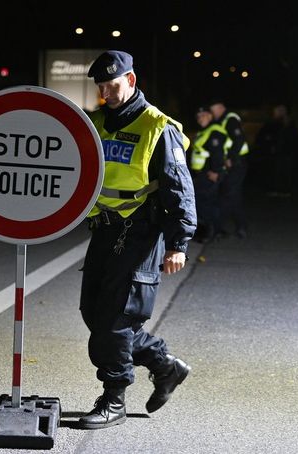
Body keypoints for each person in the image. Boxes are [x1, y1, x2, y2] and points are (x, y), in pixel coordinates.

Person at [78, 50, 197, 430]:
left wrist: (179, 243)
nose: (107, 94)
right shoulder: (94, 124)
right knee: (93, 312)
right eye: (101, 88)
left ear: (130, 80)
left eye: (113, 86)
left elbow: (180, 188)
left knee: (113, 322)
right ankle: (165, 366)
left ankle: (113, 399)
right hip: (105, 228)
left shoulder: (157, 127)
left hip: (141, 232)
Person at [209, 98, 250, 238]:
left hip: (237, 163)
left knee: (228, 195)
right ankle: (240, 227)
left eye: (214, 110)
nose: (213, 113)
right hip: (234, 163)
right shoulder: (223, 120)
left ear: (221, 107)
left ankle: (218, 227)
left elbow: (239, 139)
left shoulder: (230, 119)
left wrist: (231, 159)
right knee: (234, 195)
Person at [189, 106, 228, 242]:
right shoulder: (204, 131)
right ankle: (216, 231)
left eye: (203, 115)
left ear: (210, 116)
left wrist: (216, 171)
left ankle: (210, 233)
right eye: (198, 117)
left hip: (210, 173)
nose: (200, 119)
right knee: (208, 202)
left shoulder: (214, 131)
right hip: (202, 173)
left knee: (203, 203)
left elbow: (217, 153)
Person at [254, 104, 298, 196]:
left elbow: (292, 137)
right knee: (275, 171)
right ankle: (276, 189)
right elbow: (263, 136)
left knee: (284, 171)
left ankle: (284, 190)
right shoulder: (272, 123)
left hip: (285, 152)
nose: (275, 113)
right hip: (275, 152)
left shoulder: (288, 123)